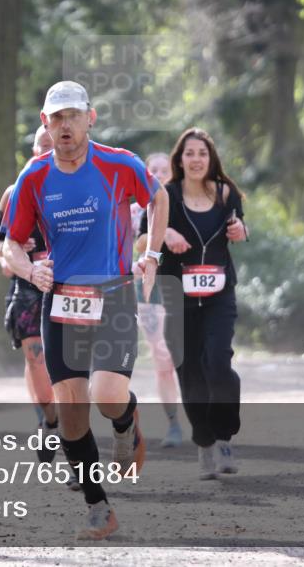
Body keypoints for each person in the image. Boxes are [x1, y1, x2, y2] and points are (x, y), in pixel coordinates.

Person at [1, 81, 168, 540]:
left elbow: (158, 198)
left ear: (90, 118)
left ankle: (125, 420)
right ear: (45, 124)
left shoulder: (118, 164)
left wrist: (151, 255)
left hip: (113, 292)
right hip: (60, 301)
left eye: (72, 115)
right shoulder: (32, 179)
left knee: (107, 394)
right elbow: (11, 242)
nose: (65, 125)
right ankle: (99, 508)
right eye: (56, 118)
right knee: (71, 410)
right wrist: (30, 271)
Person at [147, 128, 248, 480]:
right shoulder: (166, 195)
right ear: (180, 159)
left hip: (219, 293)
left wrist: (240, 231)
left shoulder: (224, 192)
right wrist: (166, 234)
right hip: (178, 293)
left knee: (218, 362)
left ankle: (223, 436)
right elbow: (145, 235)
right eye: (189, 153)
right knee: (189, 371)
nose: (195, 159)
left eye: (202, 153)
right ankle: (204, 443)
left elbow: (239, 226)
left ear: (211, 158)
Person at [0, 126, 73, 477]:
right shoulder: (16, 190)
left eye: (51, 146)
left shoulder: (76, 188)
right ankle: (50, 421)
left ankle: (73, 444)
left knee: (69, 369)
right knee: (36, 358)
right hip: (27, 285)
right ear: (33, 148)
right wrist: (11, 255)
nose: (45, 151)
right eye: (41, 145)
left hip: (68, 285)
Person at [131, 153, 183, 448]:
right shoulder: (140, 206)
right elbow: (139, 244)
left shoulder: (184, 202)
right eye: (154, 170)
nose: (160, 174)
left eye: (165, 170)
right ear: (146, 173)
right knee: (162, 357)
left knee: (187, 357)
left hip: (183, 287)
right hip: (150, 289)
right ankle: (173, 423)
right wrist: (165, 234)